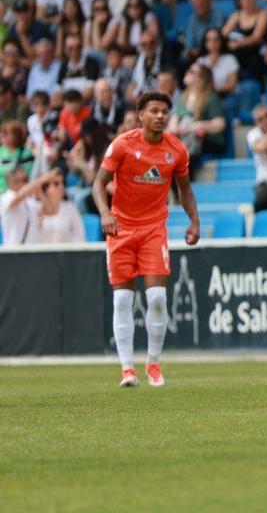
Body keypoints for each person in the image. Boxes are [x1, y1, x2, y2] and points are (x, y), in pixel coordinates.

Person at [92, 91, 198, 388]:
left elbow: (185, 190)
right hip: (121, 229)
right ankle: (127, 369)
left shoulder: (176, 150)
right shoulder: (123, 145)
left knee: (157, 298)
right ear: (141, 115)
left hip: (154, 229)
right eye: (154, 111)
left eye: (165, 111)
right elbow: (98, 183)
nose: (160, 116)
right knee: (123, 298)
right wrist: (105, 213)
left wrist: (194, 221)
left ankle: (153, 363)